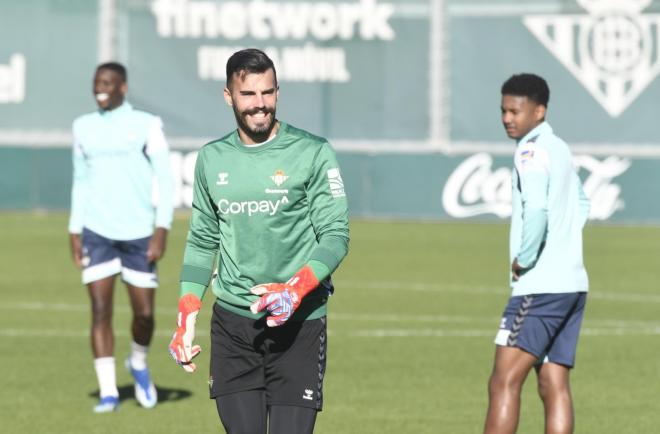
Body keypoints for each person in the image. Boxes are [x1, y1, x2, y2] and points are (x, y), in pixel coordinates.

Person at [168, 48, 349, 434]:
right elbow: (202, 241)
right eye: (248, 95)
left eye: (267, 93)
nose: (260, 105)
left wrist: (295, 290)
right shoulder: (212, 159)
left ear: (278, 92)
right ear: (229, 96)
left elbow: (335, 236)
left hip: (299, 324)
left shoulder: (313, 152)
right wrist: (187, 314)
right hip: (234, 325)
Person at [483, 73, 590, 434]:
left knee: (503, 382)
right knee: (553, 383)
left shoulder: (530, 151)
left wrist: (525, 258)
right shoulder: (558, 147)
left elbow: (538, 211)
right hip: (572, 283)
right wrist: (564, 245)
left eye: (515, 110)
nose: (507, 118)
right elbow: (582, 202)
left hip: (540, 286)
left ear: (539, 111)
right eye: (503, 110)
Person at [68, 62, 174, 413]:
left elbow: (165, 176)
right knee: (100, 311)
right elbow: (81, 181)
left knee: (144, 315)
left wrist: (162, 229)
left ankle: (139, 364)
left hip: (139, 233)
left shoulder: (147, 124)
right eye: (97, 82)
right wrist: (74, 229)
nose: (101, 88)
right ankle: (109, 391)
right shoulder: (82, 127)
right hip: (97, 232)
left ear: (123, 87)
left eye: (108, 82)